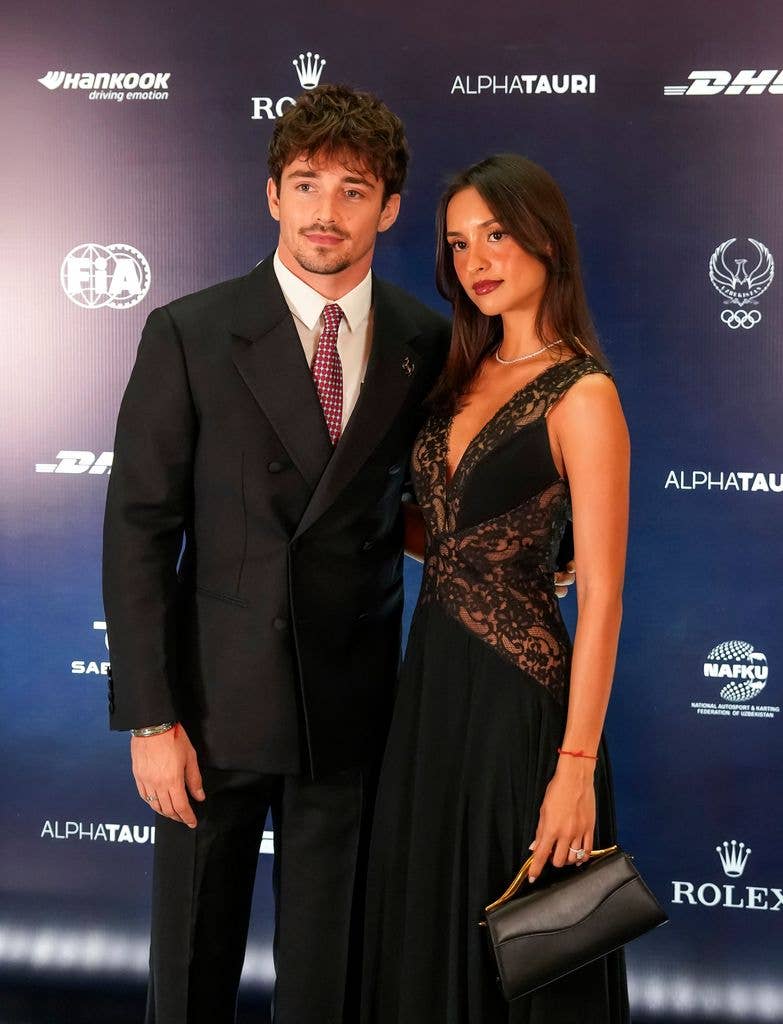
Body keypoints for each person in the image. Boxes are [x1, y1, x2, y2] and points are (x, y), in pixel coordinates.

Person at [102, 84, 451, 1024]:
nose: (324, 211)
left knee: (328, 983)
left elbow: (431, 501)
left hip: (350, 707)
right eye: (305, 184)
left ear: (388, 208)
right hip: (211, 709)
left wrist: (525, 551)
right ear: (272, 196)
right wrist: (150, 719)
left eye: (352, 189)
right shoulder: (190, 332)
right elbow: (138, 530)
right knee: (190, 973)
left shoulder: (426, 339)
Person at [361, 154, 631, 1023]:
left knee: (528, 952)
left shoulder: (583, 393)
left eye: (496, 235)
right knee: (428, 931)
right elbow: (442, 537)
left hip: (522, 709)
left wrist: (574, 770)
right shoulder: (456, 377)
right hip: (430, 695)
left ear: (545, 240)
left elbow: (603, 596)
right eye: (458, 243)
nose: (475, 259)